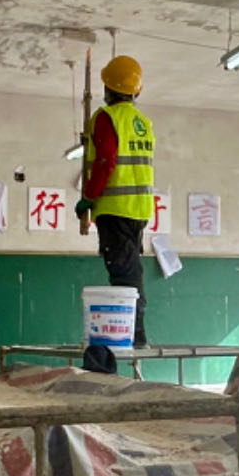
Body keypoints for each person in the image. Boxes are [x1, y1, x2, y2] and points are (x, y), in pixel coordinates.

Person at [75, 55, 155, 347]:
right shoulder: (143, 122)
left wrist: (88, 197)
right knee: (131, 269)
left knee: (124, 273)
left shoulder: (106, 118)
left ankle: (135, 336)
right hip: (139, 210)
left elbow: (106, 161)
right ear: (137, 91)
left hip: (114, 209)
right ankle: (137, 334)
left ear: (108, 88)